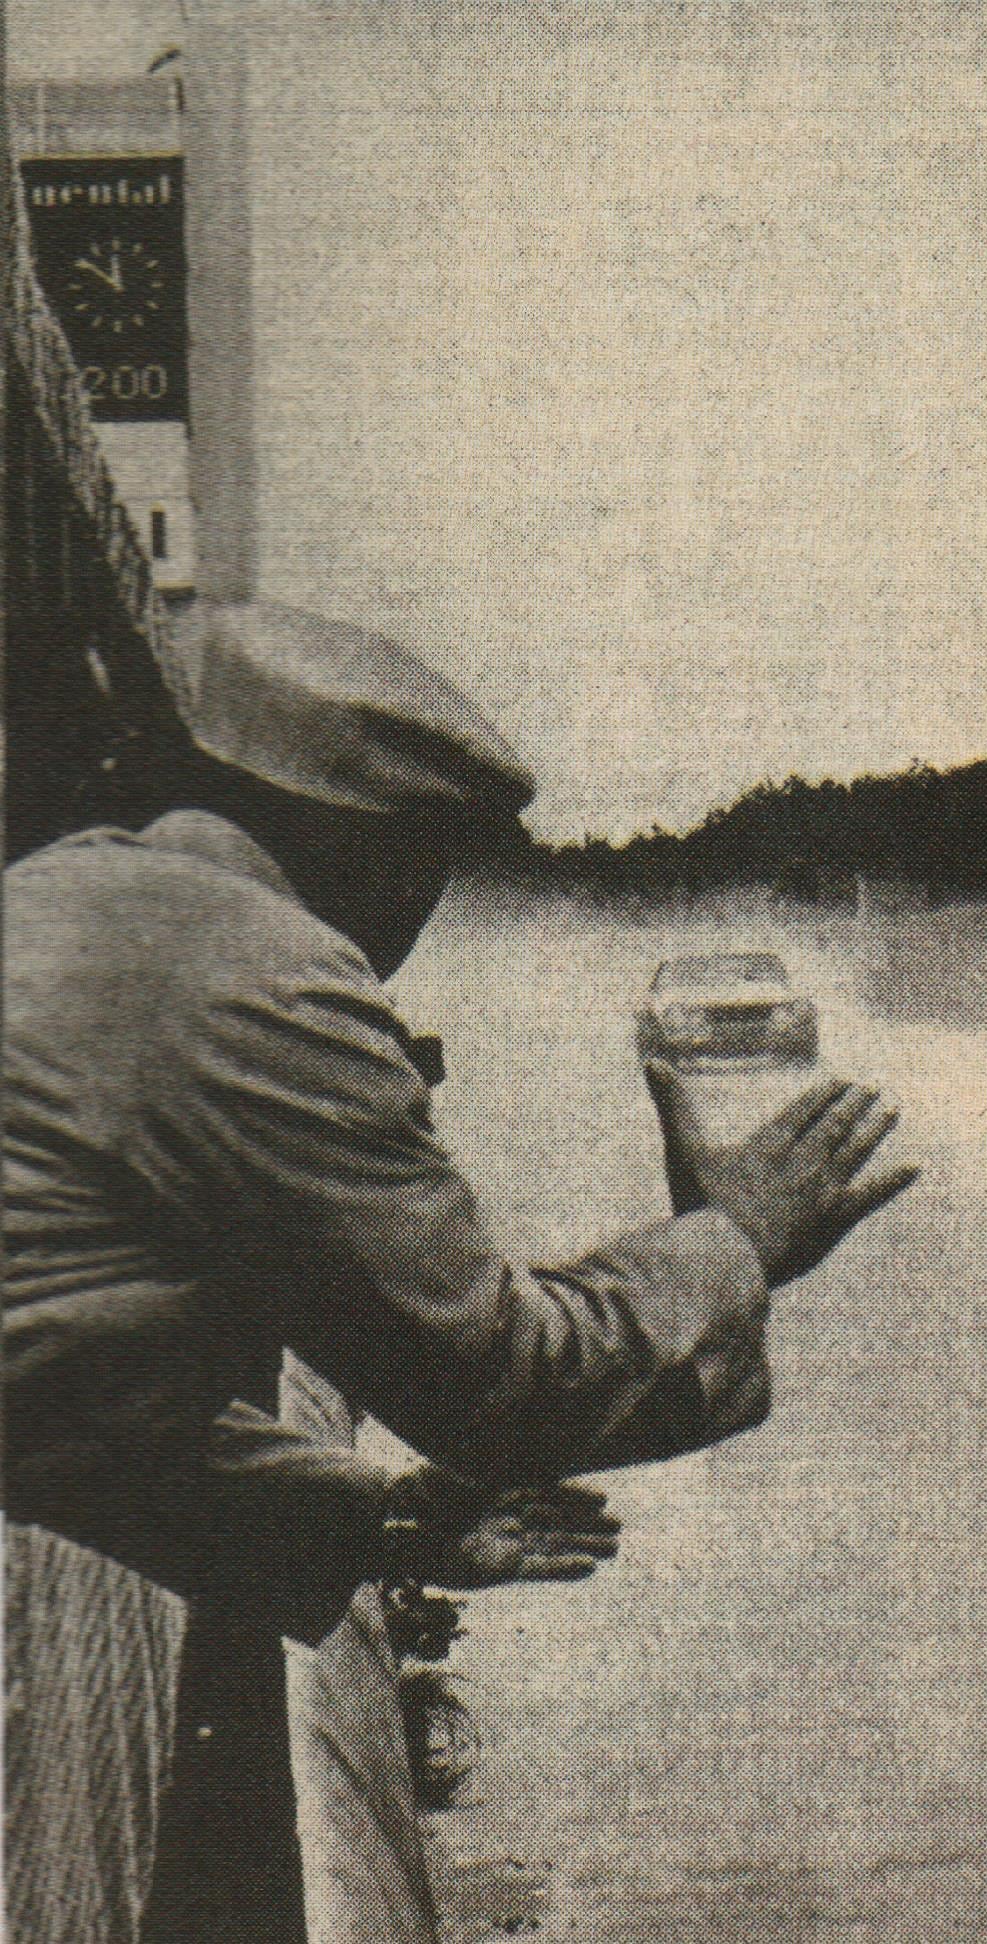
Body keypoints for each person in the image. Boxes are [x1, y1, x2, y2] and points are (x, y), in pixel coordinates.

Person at [4, 599, 916, 1942]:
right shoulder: (266, 975)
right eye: (439, 860)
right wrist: (737, 1237)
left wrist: (379, 1524)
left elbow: (44, 1397)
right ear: (373, 846)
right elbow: (504, 1382)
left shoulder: (55, 902)